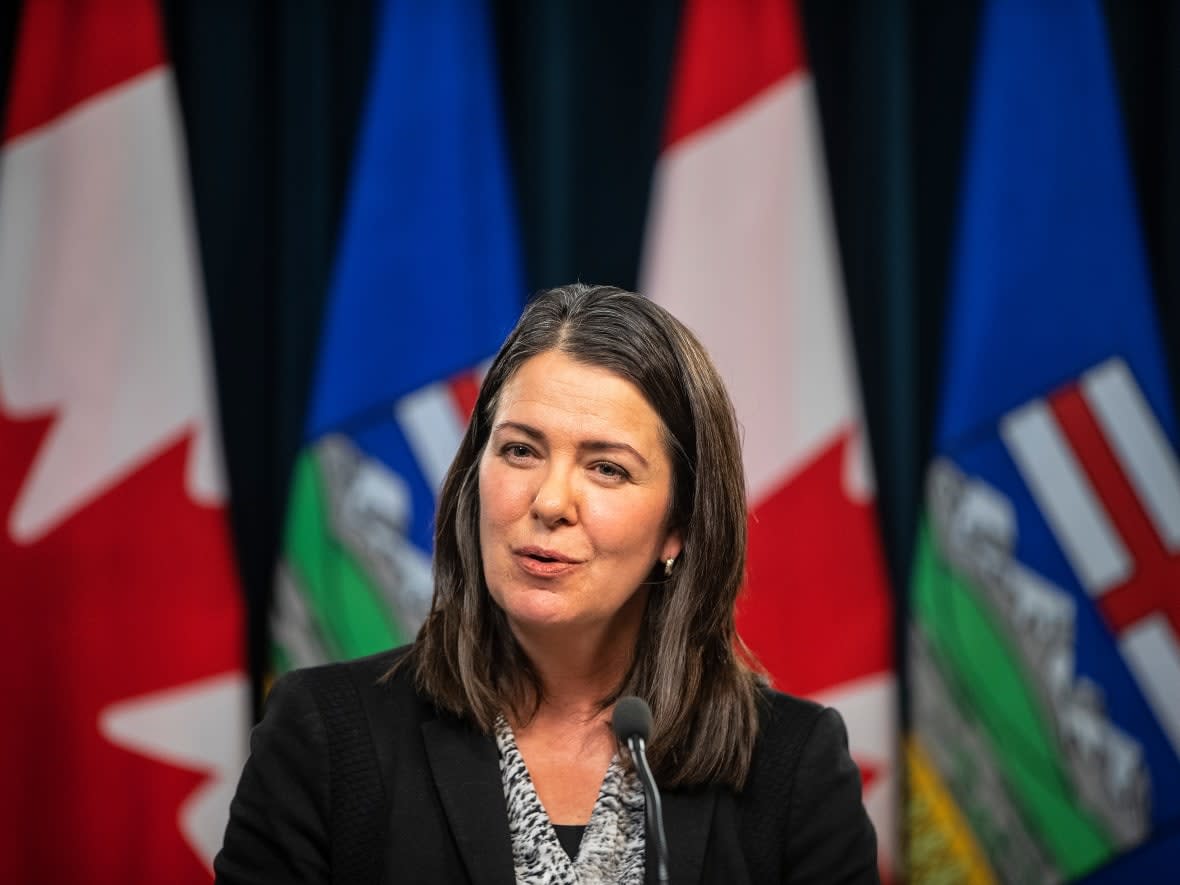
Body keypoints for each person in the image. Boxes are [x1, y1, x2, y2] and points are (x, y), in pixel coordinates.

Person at [214, 283, 878, 884]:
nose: (550, 500)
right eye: (521, 450)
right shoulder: (326, 736)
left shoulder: (793, 764)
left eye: (607, 468)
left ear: (679, 526)